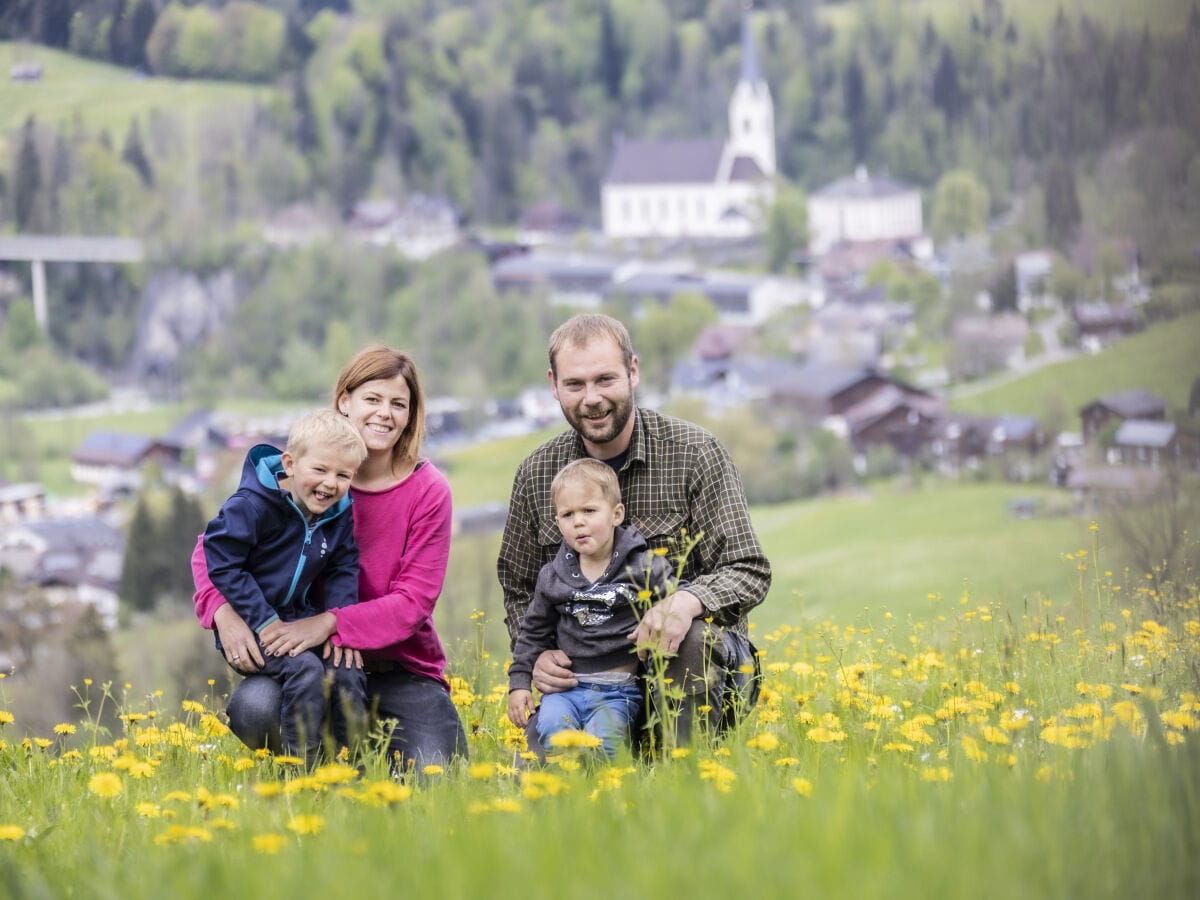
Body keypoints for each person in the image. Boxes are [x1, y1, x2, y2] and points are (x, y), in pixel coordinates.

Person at [497, 313, 771, 752]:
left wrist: (687, 602)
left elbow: (749, 569)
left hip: (690, 670)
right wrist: (536, 657)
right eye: (575, 384)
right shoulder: (537, 475)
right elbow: (518, 588)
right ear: (553, 385)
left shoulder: (694, 453)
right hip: (585, 678)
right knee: (547, 788)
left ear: (633, 371)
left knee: (691, 639)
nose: (591, 399)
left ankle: (684, 778)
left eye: (605, 379)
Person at [193, 346, 467, 772]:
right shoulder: (316, 471)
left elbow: (413, 602)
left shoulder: (427, 490)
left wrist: (335, 623)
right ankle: (316, 778)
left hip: (399, 667)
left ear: (411, 415)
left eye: (399, 404)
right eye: (372, 400)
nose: (385, 414)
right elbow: (210, 548)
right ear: (345, 401)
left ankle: (365, 757)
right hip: (310, 660)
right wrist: (221, 612)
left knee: (436, 775)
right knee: (256, 708)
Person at [199, 407, 369, 763]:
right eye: (320, 469)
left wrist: (342, 624)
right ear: (290, 464)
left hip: (299, 617)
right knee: (305, 672)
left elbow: (343, 566)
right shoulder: (252, 506)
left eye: (343, 474)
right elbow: (220, 558)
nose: (330, 483)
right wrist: (263, 621)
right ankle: (302, 768)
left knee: (346, 669)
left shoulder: (338, 513)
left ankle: (352, 766)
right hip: (254, 623)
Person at [507, 458, 680, 759]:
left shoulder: (643, 567)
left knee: (605, 745)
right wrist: (519, 684)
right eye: (567, 514)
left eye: (589, 510)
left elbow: (676, 598)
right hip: (566, 690)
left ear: (616, 514)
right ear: (558, 523)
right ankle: (569, 793)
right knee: (551, 731)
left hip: (619, 691)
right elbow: (532, 633)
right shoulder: (552, 576)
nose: (578, 521)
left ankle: (604, 798)